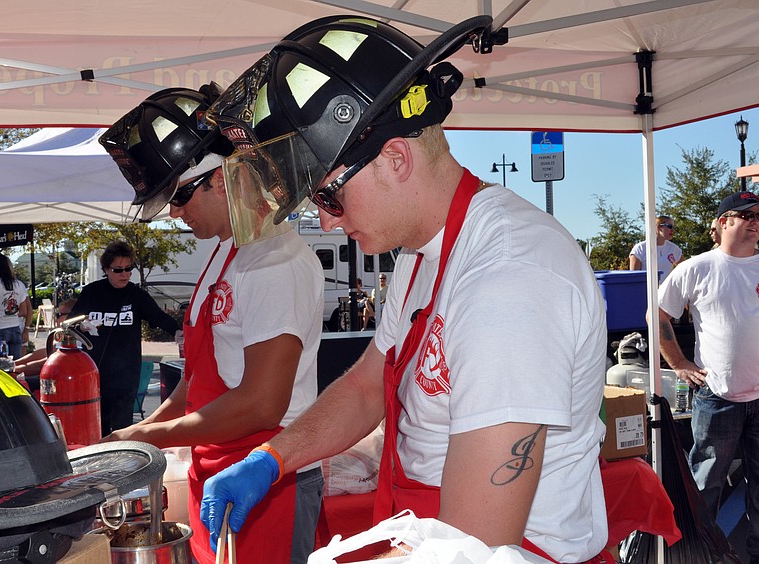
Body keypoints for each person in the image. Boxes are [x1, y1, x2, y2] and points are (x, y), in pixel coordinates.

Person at [203, 16, 610, 563]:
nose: (326, 224)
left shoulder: (511, 279)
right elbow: (368, 387)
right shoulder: (423, 254)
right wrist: (273, 458)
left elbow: (474, 546)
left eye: (328, 198)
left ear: (395, 158)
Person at [98, 85, 325, 564]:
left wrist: (143, 438)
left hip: (267, 477)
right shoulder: (225, 250)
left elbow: (263, 404)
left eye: (179, 199)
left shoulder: (275, 260)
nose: (176, 215)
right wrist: (138, 437)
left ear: (221, 178)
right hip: (216, 466)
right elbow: (197, 383)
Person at [656, 191, 759, 563]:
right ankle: (700, 554)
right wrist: (679, 364)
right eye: (746, 215)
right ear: (723, 222)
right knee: (705, 483)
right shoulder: (696, 268)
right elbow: (657, 315)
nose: (755, 222)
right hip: (717, 397)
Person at [71, 241, 179, 436]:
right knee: (98, 427)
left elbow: (159, 318)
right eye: (118, 269)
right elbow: (71, 322)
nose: (125, 274)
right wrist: (82, 325)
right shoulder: (92, 292)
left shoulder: (136, 295)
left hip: (126, 374)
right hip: (95, 372)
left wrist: (180, 331)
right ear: (106, 269)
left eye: (129, 269)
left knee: (123, 429)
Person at [13, 298, 77, 378]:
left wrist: (11, 371)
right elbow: (46, 352)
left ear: (72, 316)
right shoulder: (66, 334)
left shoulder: (74, 338)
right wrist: (12, 364)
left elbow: (43, 364)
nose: (56, 319)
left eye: (59, 315)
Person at [629, 215, 682, 283]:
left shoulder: (674, 249)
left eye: (674, 227)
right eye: (670, 226)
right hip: (646, 291)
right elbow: (634, 278)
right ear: (659, 227)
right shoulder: (640, 248)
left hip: (667, 292)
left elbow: (686, 268)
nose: (672, 230)